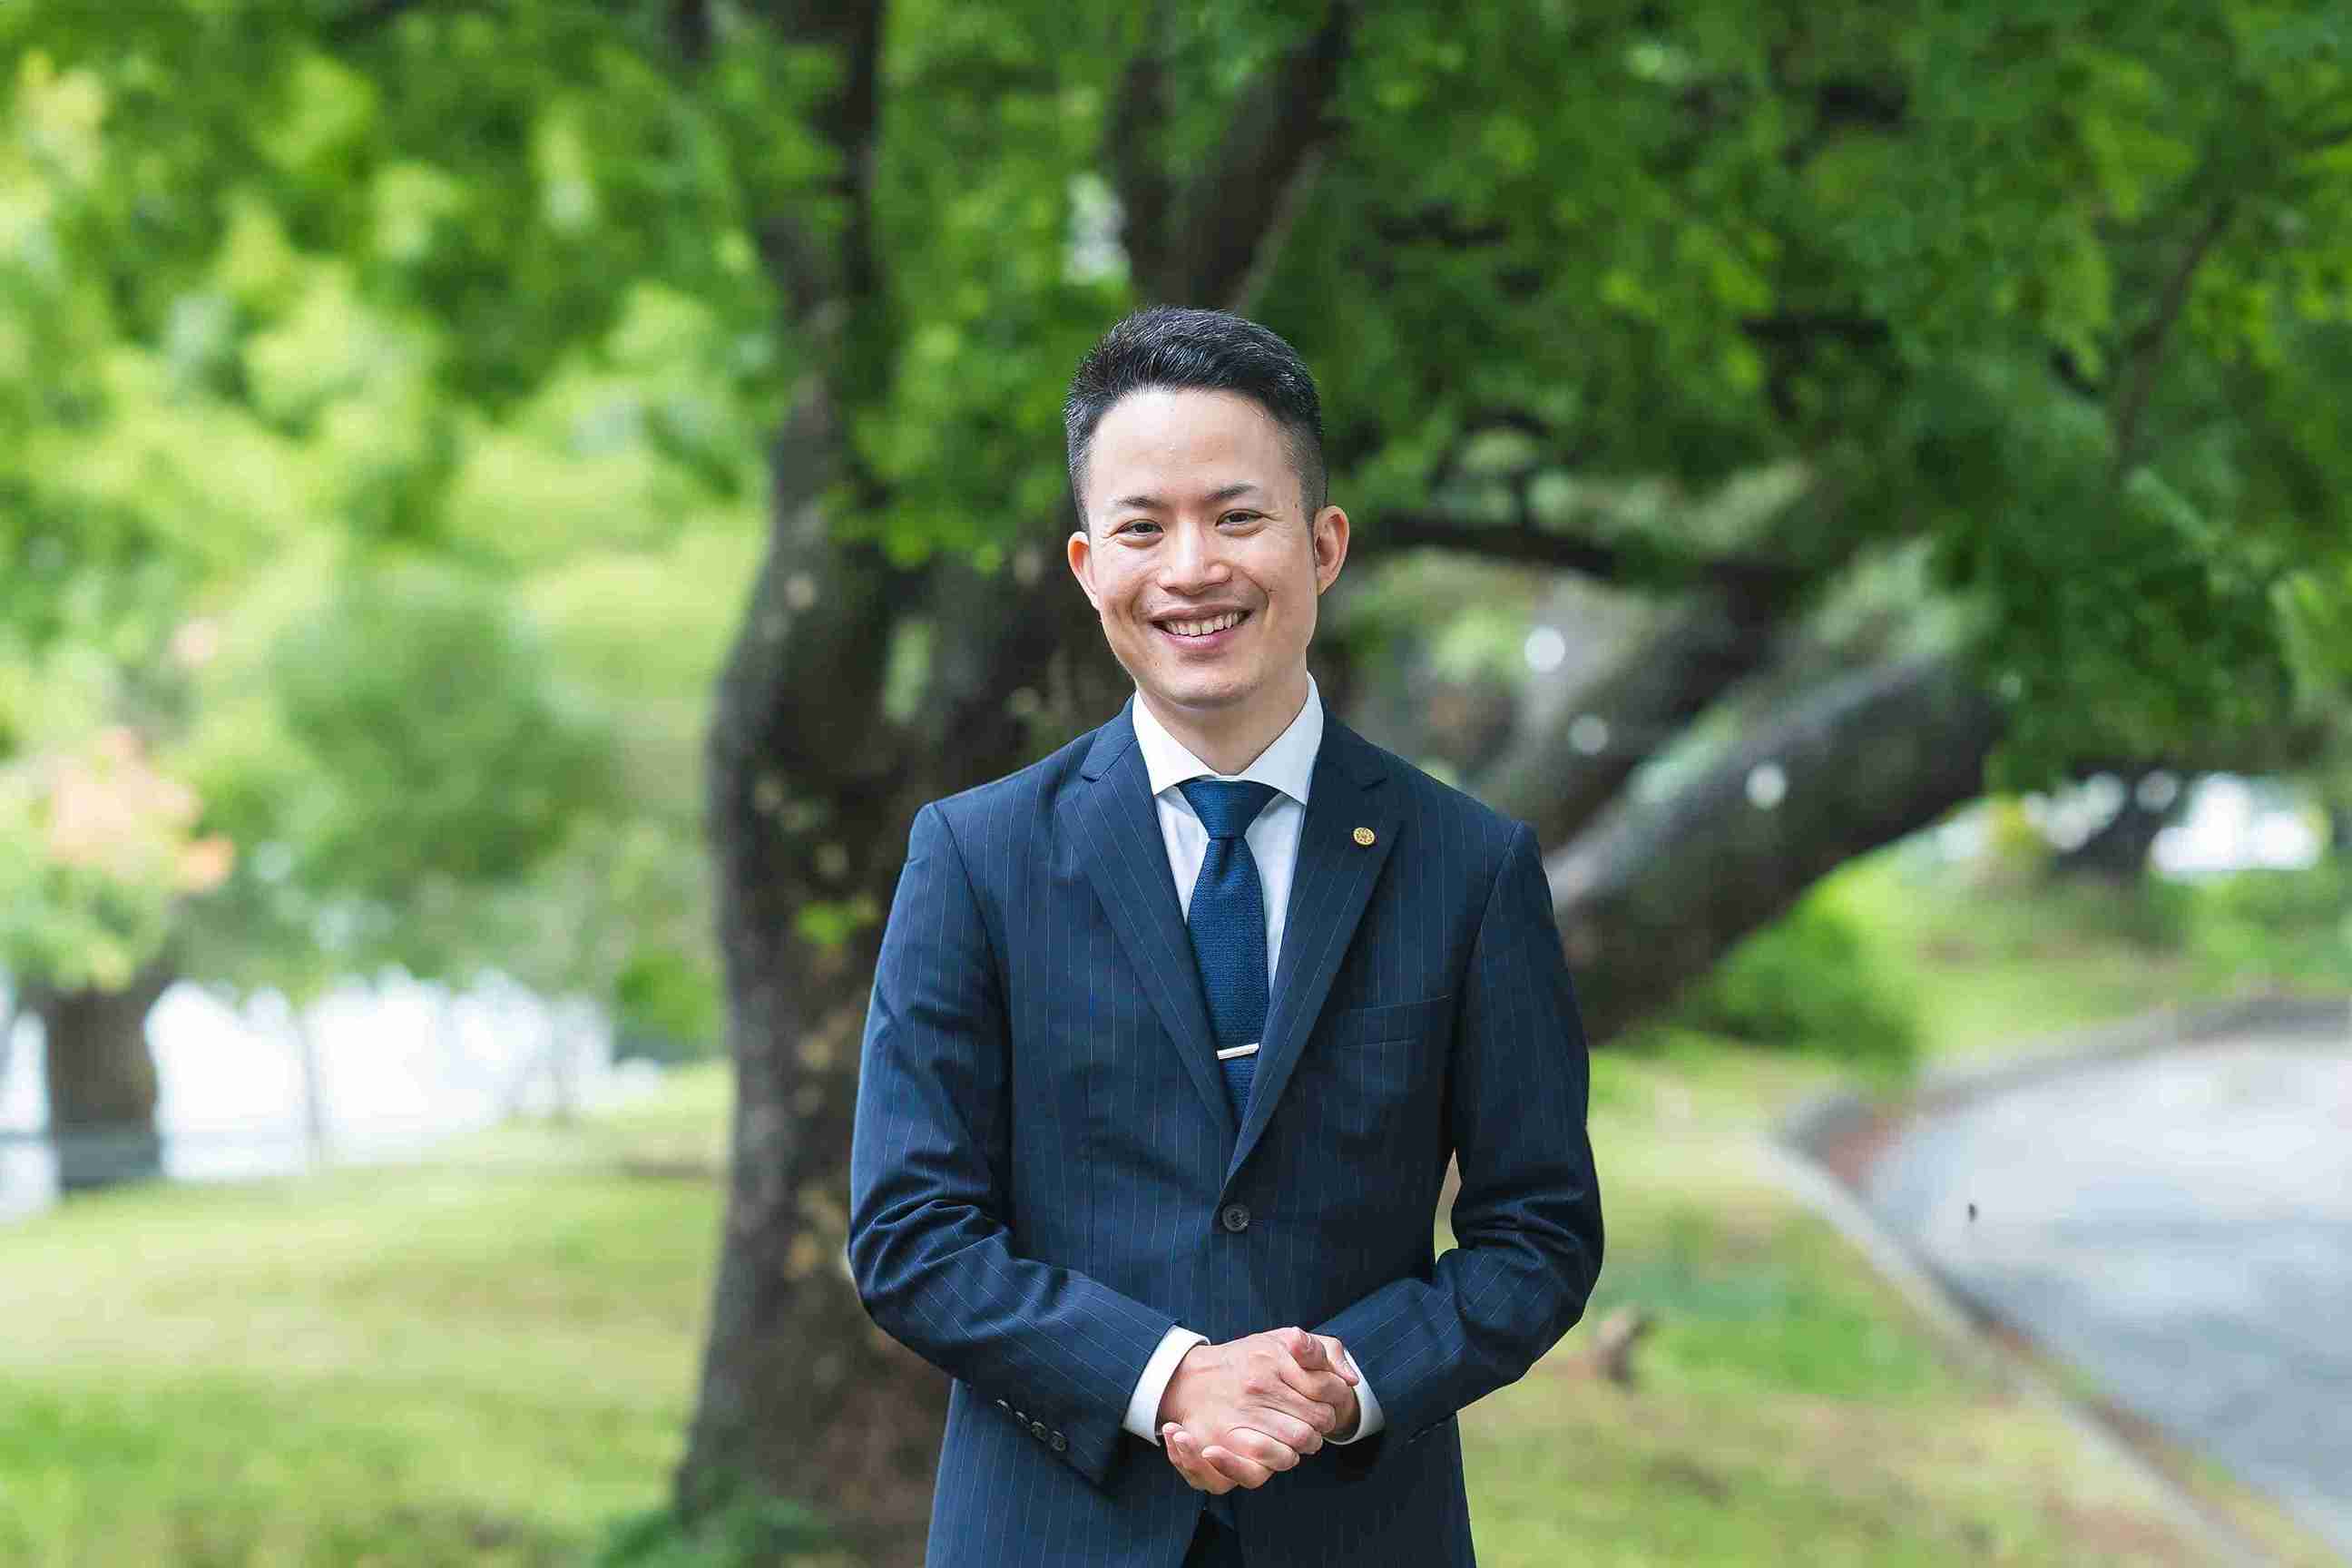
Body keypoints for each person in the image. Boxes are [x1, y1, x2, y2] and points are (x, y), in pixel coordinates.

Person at [848, 306, 1603, 1567]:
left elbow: (1540, 1233)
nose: (1192, 568)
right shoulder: (977, 857)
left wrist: (1343, 1381)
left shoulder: (1469, 868)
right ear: (1088, 565)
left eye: (1238, 517)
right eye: (1143, 528)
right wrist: (1166, 1378)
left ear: (1324, 544)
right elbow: (911, 1235)